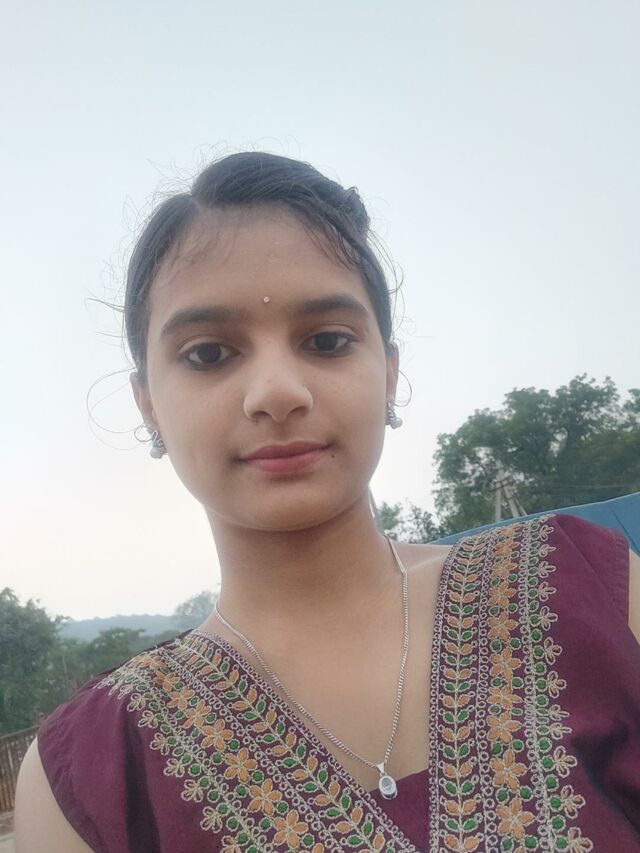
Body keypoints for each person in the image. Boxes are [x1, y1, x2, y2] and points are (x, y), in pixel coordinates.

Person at [15, 152, 640, 853]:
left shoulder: (587, 586)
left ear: (389, 373)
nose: (278, 392)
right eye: (208, 354)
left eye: (327, 340)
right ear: (148, 404)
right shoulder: (92, 774)